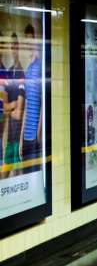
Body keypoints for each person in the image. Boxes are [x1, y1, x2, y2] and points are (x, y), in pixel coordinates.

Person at [0, 33, 23, 176]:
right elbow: (5, 105)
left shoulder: (21, 74)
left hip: (17, 135)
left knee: (17, 175)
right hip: (8, 136)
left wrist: (9, 108)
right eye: (12, 47)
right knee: (5, 174)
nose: (14, 50)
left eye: (16, 47)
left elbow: (19, 112)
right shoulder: (7, 72)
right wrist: (10, 106)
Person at [20, 24, 42, 173]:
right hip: (26, 138)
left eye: (30, 40)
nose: (28, 44)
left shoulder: (41, 66)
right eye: (26, 41)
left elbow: (43, 105)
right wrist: (21, 138)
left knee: (35, 177)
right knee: (27, 176)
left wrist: (39, 136)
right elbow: (27, 106)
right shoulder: (29, 69)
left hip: (35, 137)